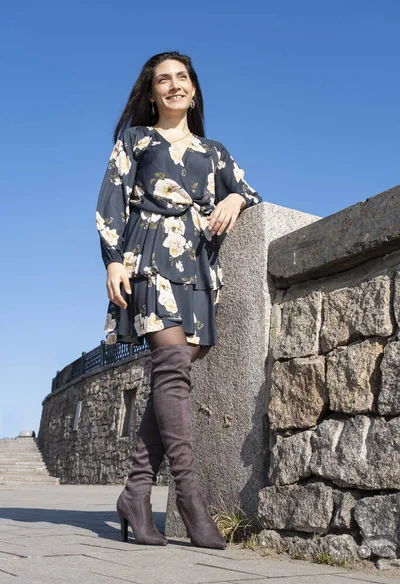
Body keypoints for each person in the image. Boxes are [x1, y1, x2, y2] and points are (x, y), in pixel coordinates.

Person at [96, 51, 263, 550]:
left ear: (193, 89)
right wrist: (112, 260)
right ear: (151, 93)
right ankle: (190, 498)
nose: (173, 86)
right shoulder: (135, 140)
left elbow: (249, 192)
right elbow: (110, 200)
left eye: (182, 78)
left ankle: (135, 494)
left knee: (173, 374)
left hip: (196, 264)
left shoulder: (215, 152)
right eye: (163, 80)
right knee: (171, 364)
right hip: (148, 255)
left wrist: (235, 197)